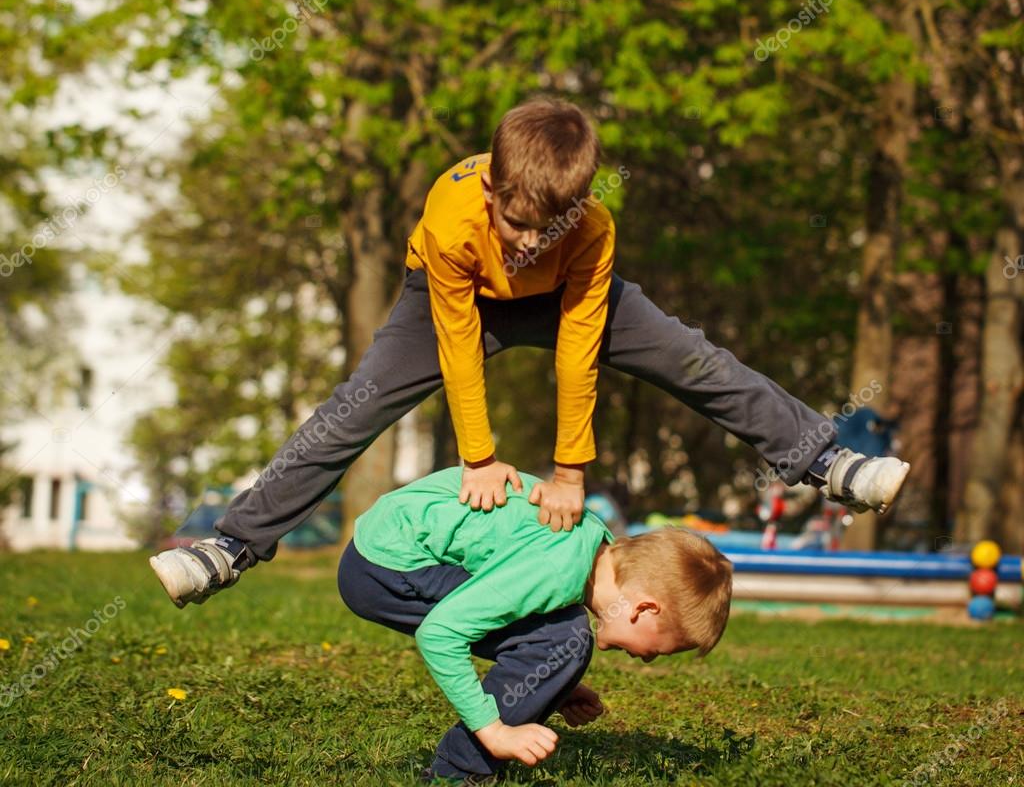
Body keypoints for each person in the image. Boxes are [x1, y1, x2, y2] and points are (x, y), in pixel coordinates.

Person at [149, 94, 909, 608]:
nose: (526, 242)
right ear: (492, 193)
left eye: (547, 230)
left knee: (691, 355)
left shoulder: (591, 233)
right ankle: (232, 545)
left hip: (563, 301)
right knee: (356, 405)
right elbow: (456, 347)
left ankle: (824, 460)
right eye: (515, 223)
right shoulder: (454, 220)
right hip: (452, 298)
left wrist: (569, 468)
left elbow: (577, 350)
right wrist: (478, 457)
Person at [336, 465, 733, 784]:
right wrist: (494, 731)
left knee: (564, 637)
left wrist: (556, 683)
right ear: (644, 609)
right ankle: (457, 773)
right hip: (385, 567)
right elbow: (440, 634)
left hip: (385, 547)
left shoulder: (591, 543)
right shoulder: (555, 569)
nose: (647, 660)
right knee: (566, 636)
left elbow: (521, 605)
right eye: (658, 650)